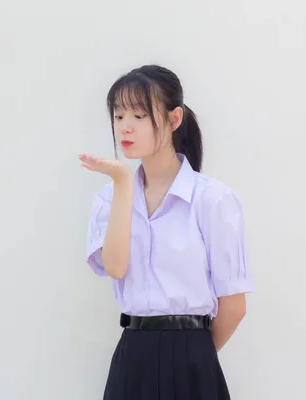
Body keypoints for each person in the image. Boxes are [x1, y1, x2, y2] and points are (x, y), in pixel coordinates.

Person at [79, 64, 254, 400]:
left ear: (174, 120)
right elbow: (115, 267)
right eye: (118, 116)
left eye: (139, 116)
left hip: (193, 355)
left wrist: (192, 355)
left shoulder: (212, 199)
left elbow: (234, 305)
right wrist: (122, 181)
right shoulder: (109, 197)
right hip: (132, 355)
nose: (125, 127)